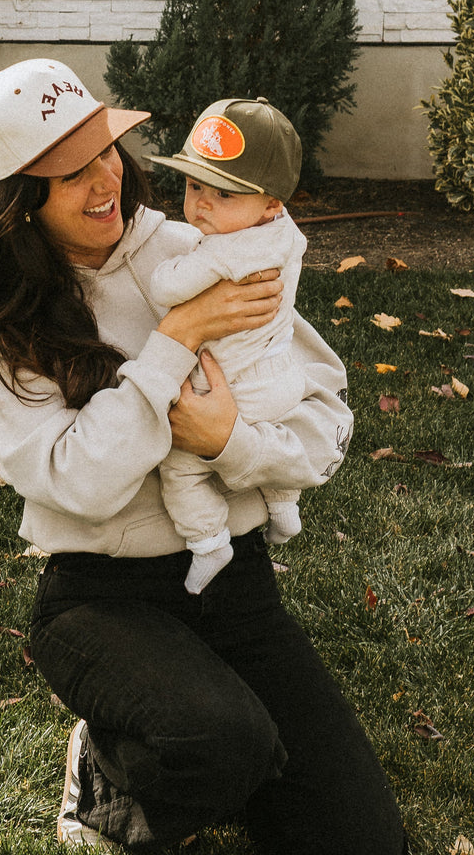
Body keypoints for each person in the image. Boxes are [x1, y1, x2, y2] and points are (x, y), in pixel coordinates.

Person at [0, 58, 406, 854]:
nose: (104, 182)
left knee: (362, 838)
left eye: (106, 154)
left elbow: (326, 413)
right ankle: (105, 771)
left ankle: (222, 752)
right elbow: (75, 482)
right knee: (225, 742)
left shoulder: (208, 247)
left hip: (233, 580)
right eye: (69, 174)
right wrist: (175, 340)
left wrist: (232, 443)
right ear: (19, 203)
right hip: (98, 596)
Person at [146, 98, 309, 594]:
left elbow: (166, 289)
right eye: (195, 185)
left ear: (271, 203)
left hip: (234, 385)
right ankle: (283, 507)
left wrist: (170, 263)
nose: (201, 205)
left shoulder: (225, 250)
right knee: (267, 435)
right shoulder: (285, 236)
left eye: (223, 193)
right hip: (280, 373)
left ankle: (209, 541)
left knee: (178, 467)